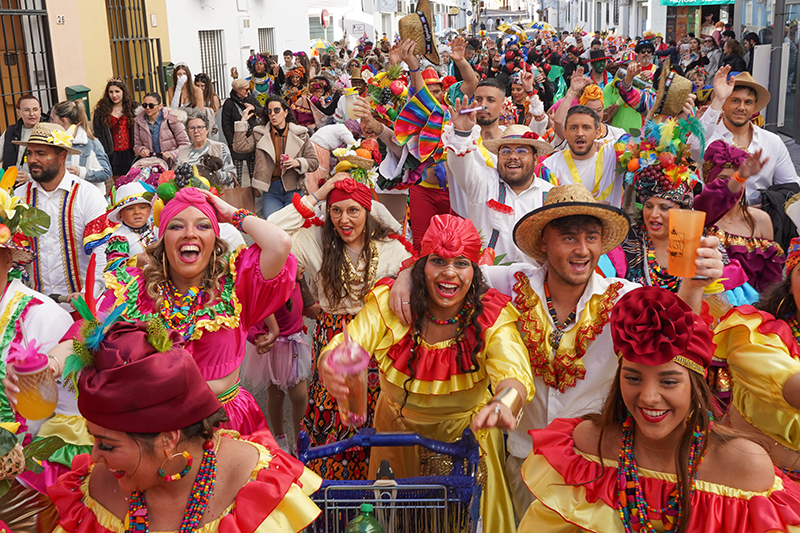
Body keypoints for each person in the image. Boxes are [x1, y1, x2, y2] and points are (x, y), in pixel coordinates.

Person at [389, 183, 724, 519]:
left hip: (594, 469)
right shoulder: (507, 282)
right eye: (568, 238)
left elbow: (677, 333)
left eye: (591, 238)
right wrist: (408, 275)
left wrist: (693, 284)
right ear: (544, 242)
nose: (582, 250)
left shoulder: (624, 296)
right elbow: (449, 272)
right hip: (521, 466)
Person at [517, 286, 800, 532]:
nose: (649, 397)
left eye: (668, 381)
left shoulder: (743, 465)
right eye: (633, 378)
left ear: (695, 388)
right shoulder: (590, 445)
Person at [319, 215, 535, 532]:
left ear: (474, 270)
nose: (449, 273)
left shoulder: (490, 313)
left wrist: (504, 402)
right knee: (397, 521)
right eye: (438, 261)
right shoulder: (390, 304)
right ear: (422, 266)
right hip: (395, 438)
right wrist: (332, 362)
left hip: (466, 441)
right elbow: (353, 340)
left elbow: (514, 369)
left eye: (461, 263)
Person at [30, 320, 322, 533]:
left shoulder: (255, 485)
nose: (92, 458)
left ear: (168, 439)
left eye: (107, 445)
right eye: (93, 440)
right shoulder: (93, 493)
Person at [99, 187, 295, 434]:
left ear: (215, 239)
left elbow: (280, 244)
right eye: (176, 226)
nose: (190, 234)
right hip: (160, 427)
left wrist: (232, 213)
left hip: (226, 422)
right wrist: (53, 362)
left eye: (203, 226)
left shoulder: (235, 284)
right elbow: (91, 335)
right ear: (162, 239)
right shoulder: (135, 290)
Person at [267, 176, 412, 479]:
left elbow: (416, 271)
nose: (344, 219)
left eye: (353, 210)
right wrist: (318, 193)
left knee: (378, 412)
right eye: (336, 211)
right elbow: (270, 232)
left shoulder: (391, 248)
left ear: (367, 211)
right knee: (333, 410)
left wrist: (405, 277)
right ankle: (333, 499)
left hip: (378, 341)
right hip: (331, 339)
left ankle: (379, 490)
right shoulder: (315, 241)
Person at [443, 101, 553, 265]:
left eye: (522, 151)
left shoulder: (550, 194)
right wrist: (461, 132)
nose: (513, 156)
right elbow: (459, 164)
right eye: (506, 151)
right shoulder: (482, 182)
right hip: (487, 282)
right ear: (498, 157)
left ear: (535, 158)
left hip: (535, 285)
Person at [13, 123, 108, 308]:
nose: (32, 159)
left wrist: (89, 293)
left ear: (62, 157)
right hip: (34, 308)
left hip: (80, 309)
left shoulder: (88, 195)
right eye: (29, 153)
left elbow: (100, 251)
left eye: (41, 153)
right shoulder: (17, 197)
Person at [701, 66, 800, 205]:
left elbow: (791, 186)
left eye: (748, 102)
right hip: (715, 221)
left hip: (760, 220)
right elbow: (694, 145)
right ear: (724, 103)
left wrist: (764, 207)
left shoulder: (772, 141)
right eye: (735, 100)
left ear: (754, 107)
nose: (741, 107)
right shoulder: (709, 139)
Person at [694, 140, 783, 292]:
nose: (732, 185)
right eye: (723, 180)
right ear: (710, 184)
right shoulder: (702, 215)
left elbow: (771, 282)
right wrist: (738, 178)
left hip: (751, 310)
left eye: (738, 179)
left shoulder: (761, 220)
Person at [242, 277, 311, 455]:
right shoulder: (268, 285)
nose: (302, 267)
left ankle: (300, 440)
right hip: (275, 348)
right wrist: (257, 336)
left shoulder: (299, 282)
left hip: (296, 343)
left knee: (300, 396)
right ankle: (280, 438)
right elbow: (252, 314)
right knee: (276, 395)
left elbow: (307, 305)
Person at [232, 96, 318, 219]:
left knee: (293, 226)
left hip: (294, 188)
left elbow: (314, 162)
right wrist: (242, 121)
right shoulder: (260, 134)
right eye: (269, 111)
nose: (273, 114)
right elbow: (239, 147)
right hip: (271, 190)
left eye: (277, 110)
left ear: (286, 112)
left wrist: (298, 162)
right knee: (273, 225)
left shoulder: (301, 134)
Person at [543, 105, 622, 206]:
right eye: (574, 128)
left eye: (586, 127)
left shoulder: (613, 157)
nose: (580, 133)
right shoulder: (549, 167)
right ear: (565, 134)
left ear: (597, 133)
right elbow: (545, 207)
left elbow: (643, 141)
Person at [90, 180, 157, 271]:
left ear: (149, 210)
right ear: (120, 215)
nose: (137, 212)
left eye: (142, 207)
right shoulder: (120, 238)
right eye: (130, 209)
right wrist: (136, 261)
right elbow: (113, 266)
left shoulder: (155, 227)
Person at [50, 100, 112, 194]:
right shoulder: (53, 141)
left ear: (63, 121)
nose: (50, 123)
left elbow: (106, 173)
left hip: (90, 197)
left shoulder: (91, 143)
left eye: (53, 119)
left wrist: (80, 172)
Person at [175, 109, 236, 187]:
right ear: (188, 132)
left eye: (200, 127)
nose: (196, 131)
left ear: (207, 130)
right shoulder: (182, 151)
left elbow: (232, 175)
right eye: (192, 128)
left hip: (216, 193)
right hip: (189, 194)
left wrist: (212, 176)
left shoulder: (220, 148)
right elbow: (177, 176)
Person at [132, 92, 191, 169]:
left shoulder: (172, 120)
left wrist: (172, 154)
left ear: (160, 106)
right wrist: (141, 150)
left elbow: (185, 145)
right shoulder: (139, 122)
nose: (147, 108)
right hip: (150, 166)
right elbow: (137, 145)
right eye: (145, 105)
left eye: (151, 105)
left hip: (172, 166)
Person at [92, 79, 137, 177]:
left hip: (130, 152)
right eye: (111, 92)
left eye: (117, 91)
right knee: (117, 182)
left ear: (123, 92)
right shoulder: (101, 112)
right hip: (112, 154)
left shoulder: (133, 108)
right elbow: (98, 133)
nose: (114, 95)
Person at [221, 78, 261, 181]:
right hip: (237, 139)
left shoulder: (250, 99)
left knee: (254, 168)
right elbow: (225, 124)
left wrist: (254, 108)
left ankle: (254, 190)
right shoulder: (229, 103)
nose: (248, 91)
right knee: (237, 169)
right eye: (245, 89)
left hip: (251, 138)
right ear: (237, 90)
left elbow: (263, 111)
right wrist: (231, 142)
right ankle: (238, 189)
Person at [1, 94, 45, 180]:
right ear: (19, 112)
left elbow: (52, 165)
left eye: (35, 109)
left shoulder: (48, 131)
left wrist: (29, 177)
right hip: (11, 185)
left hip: (37, 183)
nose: (32, 114)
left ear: (40, 111)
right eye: (27, 110)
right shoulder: (10, 131)